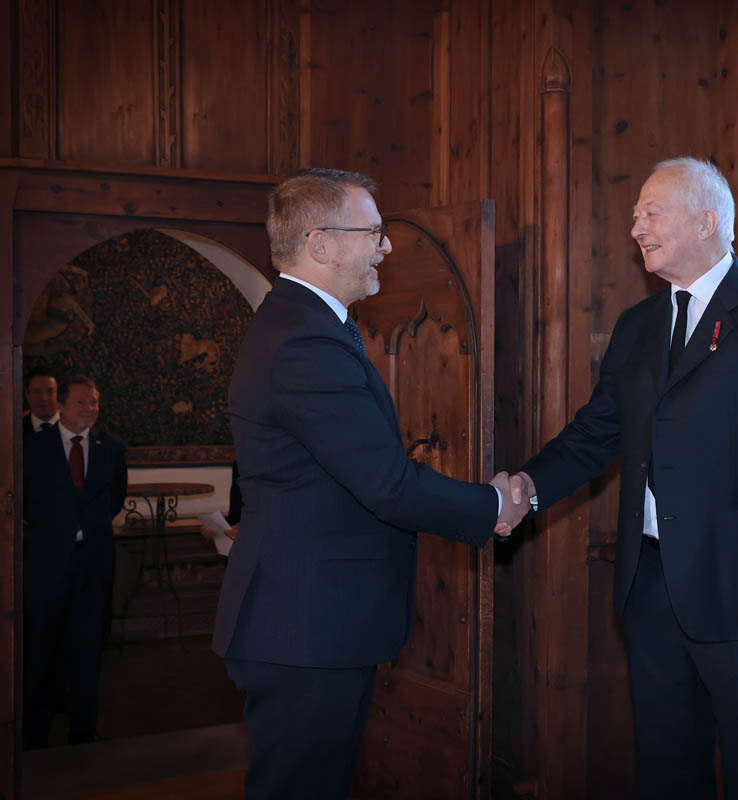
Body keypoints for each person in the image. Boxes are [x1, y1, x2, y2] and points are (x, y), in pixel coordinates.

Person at [507, 157, 738, 799]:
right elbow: (594, 434)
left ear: (706, 220)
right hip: (651, 589)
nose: (636, 226)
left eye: (652, 212)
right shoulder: (637, 326)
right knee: (666, 772)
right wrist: (526, 487)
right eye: (636, 214)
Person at [211, 168, 528, 799]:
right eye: (374, 233)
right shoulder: (304, 341)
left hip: (309, 622)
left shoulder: (304, 325)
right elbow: (386, 484)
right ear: (322, 244)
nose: (385, 247)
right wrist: (492, 503)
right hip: (304, 626)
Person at [23, 375, 127, 747]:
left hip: (93, 565)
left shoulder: (111, 448)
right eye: (81, 401)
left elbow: (115, 499)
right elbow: (25, 500)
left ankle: (83, 730)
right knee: (41, 648)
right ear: (62, 405)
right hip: (47, 565)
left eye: (94, 401)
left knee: (88, 649)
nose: (89, 408)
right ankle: (35, 732)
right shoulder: (32, 447)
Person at [22, 366, 60, 436]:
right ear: (27, 395)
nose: (43, 398)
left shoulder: (73, 427)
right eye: (37, 392)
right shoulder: (15, 429)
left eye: (50, 392)